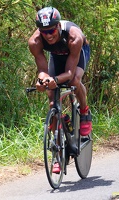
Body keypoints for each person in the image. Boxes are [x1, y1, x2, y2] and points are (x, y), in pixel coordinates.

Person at [28, 7, 92, 173]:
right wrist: (42, 80)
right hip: (57, 56)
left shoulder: (73, 37)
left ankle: (84, 110)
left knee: (74, 81)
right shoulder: (35, 42)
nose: (48, 35)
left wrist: (54, 80)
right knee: (51, 96)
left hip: (77, 53)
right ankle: (57, 154)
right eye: (44, 32)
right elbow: (42, 70)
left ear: (58, 26)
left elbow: (70, 73)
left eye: (51, 30)